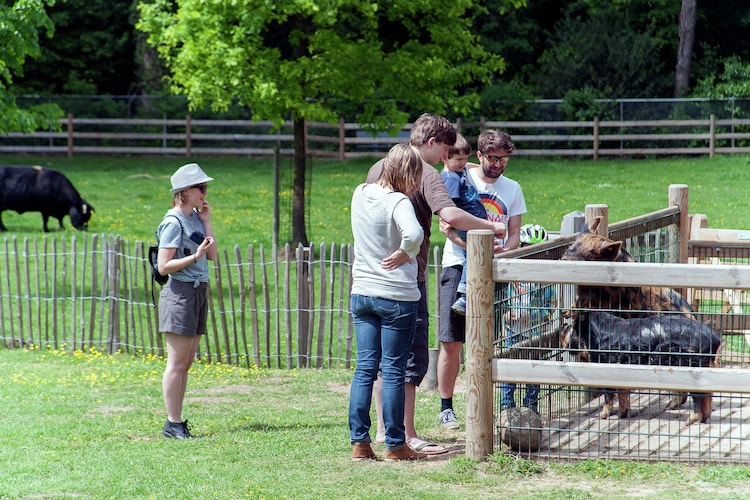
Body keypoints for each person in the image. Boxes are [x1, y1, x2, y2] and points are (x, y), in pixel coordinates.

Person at [367, 113, 506, 454]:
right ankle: (408, 433)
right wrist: (492, 228)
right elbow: (451, 215)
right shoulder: (426, 173)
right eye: (444, 148)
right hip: (407, 278)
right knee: (411, 358)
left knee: (384, 359)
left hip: (372, 276)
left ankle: (385, 431)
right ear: (431, 143)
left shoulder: (377, 167)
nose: (445, 156)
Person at [437, 129, 526, 430]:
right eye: (492, 157)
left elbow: (514, 233)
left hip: (495, 269)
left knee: (488, 340)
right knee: (452, 341)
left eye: (504, 159)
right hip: (458, 265)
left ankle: (485, 404)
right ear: (478, 155)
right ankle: (446, 406)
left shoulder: (513, 189)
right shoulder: (462, 176)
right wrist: (473, 249)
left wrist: (500, 254)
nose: (498, 164)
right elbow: (445, 224)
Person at [348, 143, 425, 462]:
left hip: (362, 291)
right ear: (408, 174)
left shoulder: (359, 192)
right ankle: (395, 445)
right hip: (395, 295)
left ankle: (360, 443)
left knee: (365, 368)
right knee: (393, 369)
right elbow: (415, 233)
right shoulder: (398, 201)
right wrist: (406, 252)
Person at [157, 162, 217, 439]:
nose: (205, 191)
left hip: (197, 291)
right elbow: (163, 267)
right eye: (200, 187)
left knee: (187, 362)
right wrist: (194, 257)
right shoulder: (172, 222)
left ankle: (178, 422)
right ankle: (172, 423)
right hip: (179, 294)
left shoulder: (194, 217)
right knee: (176, 363)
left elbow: (213, 255)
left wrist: (206, 221)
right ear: (184, 192)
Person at [500, 223, 556, 414]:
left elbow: (550, 307)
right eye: (527, 249)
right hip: (513, 332)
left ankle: (530, 406)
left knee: (534, 370)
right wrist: (508, 315)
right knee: (509, 370)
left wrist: (533, 315)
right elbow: (502, 304)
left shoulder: (545, 281)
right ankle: (505, 407)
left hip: (535, 333)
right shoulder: (511, 277)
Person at [439, 133, 487, 316]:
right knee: (472, 256)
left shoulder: (460, 169)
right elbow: (448, 204)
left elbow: (468, 166)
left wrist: (479, 167)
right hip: (466, 224)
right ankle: (465, 296)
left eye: (466, 158)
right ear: (445, 157)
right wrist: (449, 223)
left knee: (476, 254)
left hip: (474, 223)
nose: (463, 163)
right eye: (459, 159)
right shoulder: (450, 177)